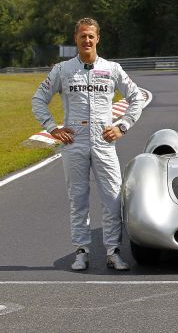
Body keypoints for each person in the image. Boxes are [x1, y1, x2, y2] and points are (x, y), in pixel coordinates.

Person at [32, 18, 144, 271]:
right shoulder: (62, 70)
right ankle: (81, 251)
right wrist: (52, 128)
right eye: (82, 36)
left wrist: (122, 126)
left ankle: (113, 251)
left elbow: (136, 97)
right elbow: (39, 99)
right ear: (75, 38)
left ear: (98, 38)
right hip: (74, 141)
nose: (87, 40)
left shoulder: (112, 69)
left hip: (104, 141)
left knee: (113, 198)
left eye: (91, 36)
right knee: (78, 199)